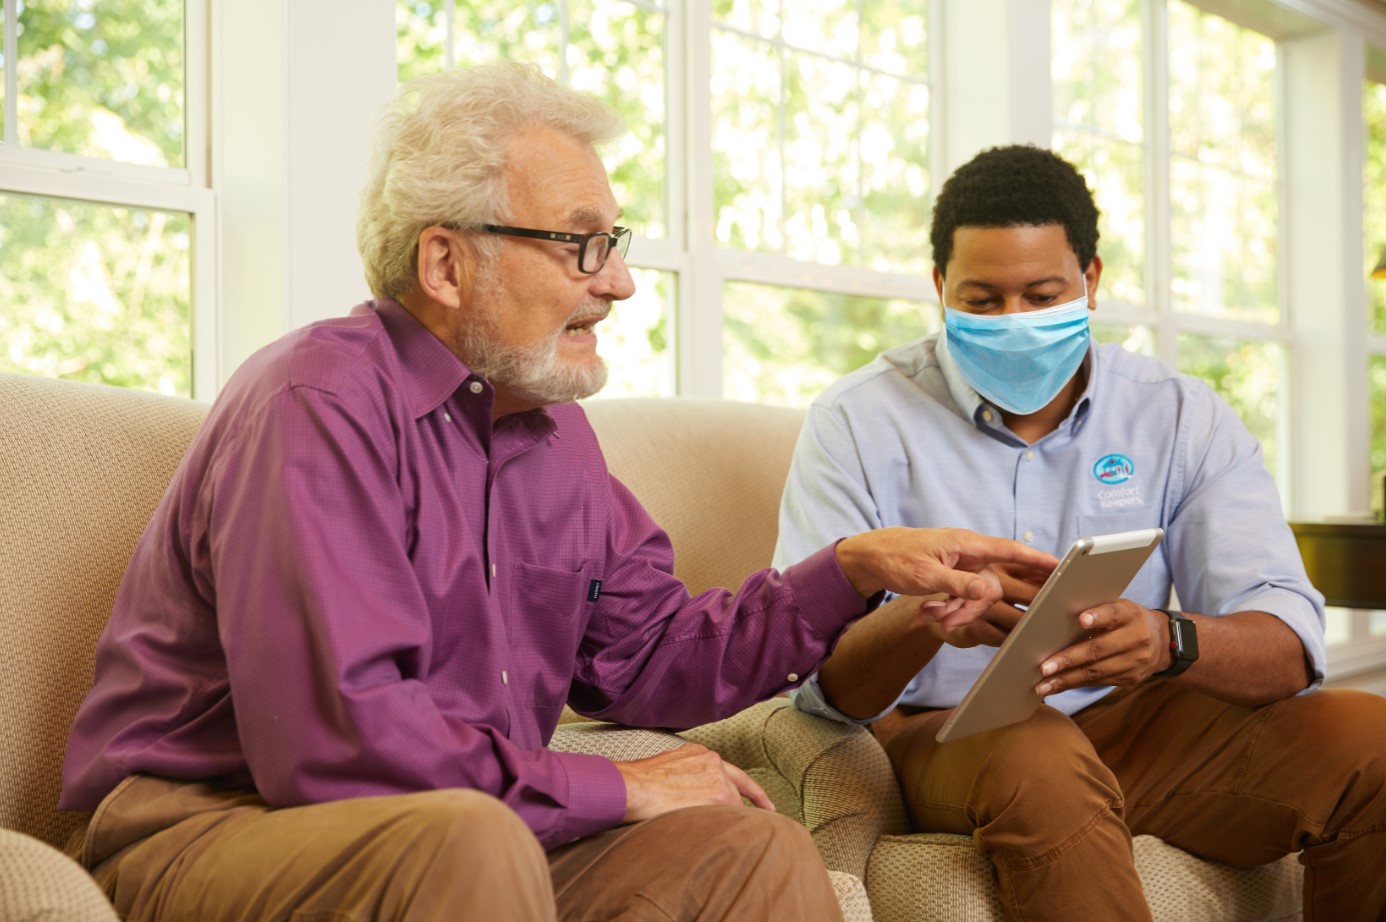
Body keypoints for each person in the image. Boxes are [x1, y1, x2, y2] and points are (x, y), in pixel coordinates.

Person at [57, 64, 1057, 922]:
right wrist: (616, 784)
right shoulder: (319, 403)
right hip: (210, 829)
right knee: (469, 840)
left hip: (462, 828)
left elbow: (656, 655)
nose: (618, 280)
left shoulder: (550, 433)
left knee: (755, 852)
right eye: (581, 242)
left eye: (615, 240)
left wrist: (853, 568)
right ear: (445, 261)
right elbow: (342, 741)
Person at [774, 143, 1386, 921]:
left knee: (1372, 742)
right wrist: (925, 617)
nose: (1015, 323)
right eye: (984, 300)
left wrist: (1168, 641)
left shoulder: (1179, 415)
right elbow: (822, 688)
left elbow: (1289, 646)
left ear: (1090, 281)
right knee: (1040, 757)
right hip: (942, 735)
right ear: (939, 290)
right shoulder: (857, 421)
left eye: (1041, 293)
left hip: (1138, 724)